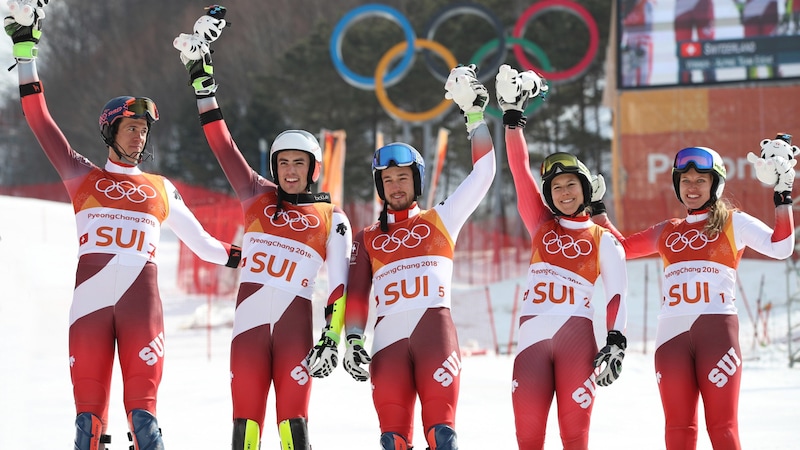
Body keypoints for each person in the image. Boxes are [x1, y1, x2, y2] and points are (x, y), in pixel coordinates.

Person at [5, 6, 242, 450]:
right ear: (110, 132)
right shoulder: (84, 178)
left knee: (146, 426)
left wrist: (250, 258)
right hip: (89, 309)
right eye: (130, 127)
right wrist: (24, 51)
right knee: (87, 431)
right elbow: (40, 119)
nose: (139, 137)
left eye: (143, 130)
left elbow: (207, 246)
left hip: (142, 310)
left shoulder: (161, 189)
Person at [174, 7, 352, 450]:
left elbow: (340, 283)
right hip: (248, 334)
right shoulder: (256, 194)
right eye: (283, 163)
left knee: (294, 431)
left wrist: (333, 334)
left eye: (300, 163)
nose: (290, 171)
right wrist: (203, 83)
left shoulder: (333, 217)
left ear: (313, 169)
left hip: (296, 336)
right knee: (244, 432)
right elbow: (222, 142)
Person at [592, 144, 796, 449]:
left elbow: (781, 247)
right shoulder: (668, 230)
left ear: (715, 184)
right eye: (685, 180)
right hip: (671, 340)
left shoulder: (733, 222)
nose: (692, 187)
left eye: (701, 180)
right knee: (678, 431)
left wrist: (783, 194)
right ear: (677, 185)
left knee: (722, 429)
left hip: (717, 337)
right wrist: (597, 209)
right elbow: (620, 249)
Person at [341, 64, 495, 450]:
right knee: (393, 441)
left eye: (403, 178)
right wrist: (354, 340)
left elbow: (484, 173)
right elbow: (356, 293)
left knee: (442, 437)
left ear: (417, 181)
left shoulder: (442, 218)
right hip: (387, 345)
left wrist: (475, 117)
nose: (395, 186)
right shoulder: (369, 236)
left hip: (435, 338)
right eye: (388, 180)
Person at [495, 64, 629, 449]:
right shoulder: (540, 224)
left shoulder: (604, 239)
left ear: (585, 191)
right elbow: (520, 172)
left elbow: (618, 294)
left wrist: (616, 340)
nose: (564, 193)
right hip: (532, 345)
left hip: (577, 345)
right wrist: (513, 119)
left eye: (571, 185)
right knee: (529, 439)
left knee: (575, 439)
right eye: (556, 187)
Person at [675, 0, 716, 84]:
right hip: (681, 6)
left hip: (703, 4)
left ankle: (712, 89)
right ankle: (683, 92)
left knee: (707, 49)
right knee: (683, 50)